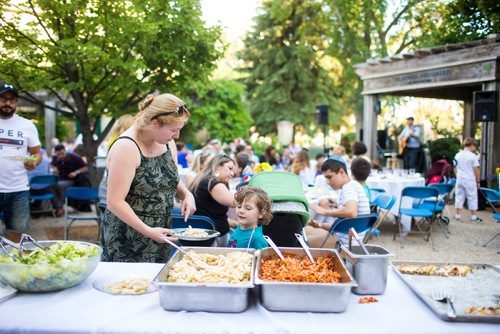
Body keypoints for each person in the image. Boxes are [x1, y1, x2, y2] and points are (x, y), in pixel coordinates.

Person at [101, 93, 196, 263]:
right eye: (174, 130)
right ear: (154, 124)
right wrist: (148, 231)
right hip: (127, 239)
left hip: (160, 233)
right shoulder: (126, 147)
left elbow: (171, 179)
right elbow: (115, 202)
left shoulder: (167, 142)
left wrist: (187, 194)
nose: (177, 136)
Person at [0, 83, 42, 232]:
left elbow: (37, 153)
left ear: (16, 102)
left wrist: (33, 162)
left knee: (18, 234)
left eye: (12, 100)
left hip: (18, 189)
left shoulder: (27, 125)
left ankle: (15, 256)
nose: (8, 103)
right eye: (3, 98)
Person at [305, 157, 370, 247]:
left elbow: (351, 212)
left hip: (343, 245)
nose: (327, 182)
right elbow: (340, 224)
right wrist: (321, 225)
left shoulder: (349, 187)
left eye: (329, 177)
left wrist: (325, 212)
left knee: (301, 240)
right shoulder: (352, 186)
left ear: (341, 172)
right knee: (304, 231)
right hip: (342, 238)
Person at [189, 154, 236, 246]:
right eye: (230, 168)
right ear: (218, 166)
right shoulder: (212, 183)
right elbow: (235, 202)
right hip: (212, 238)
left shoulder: (203, 179)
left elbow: (209, 212)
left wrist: (232, 223)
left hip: (203, 232)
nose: (232, 174)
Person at [51, 143, 89, 209]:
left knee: (58, 186)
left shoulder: (75, 157)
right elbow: (53, 165)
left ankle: (59, 207)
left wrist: (76, 172)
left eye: (62, 153)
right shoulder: (55, 158)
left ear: (65, 151)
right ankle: (58, 207)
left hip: (71, 180)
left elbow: (85, 168)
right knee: (50, 187)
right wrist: (54, 168)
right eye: (58, 154)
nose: (60, 156)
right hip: (59, 178)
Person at [454, 137, 482, 223]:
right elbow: (476, 170)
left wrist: (457, 176)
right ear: (472, 145)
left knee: (459, 196)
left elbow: (455, 168)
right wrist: (478, 181)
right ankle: (473, 217)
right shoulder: (473, 156)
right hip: (469, 179)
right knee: (472, 197)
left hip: (460, 178)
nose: (475, 148)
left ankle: (457, 215)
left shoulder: (457, 155)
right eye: (475, 146)